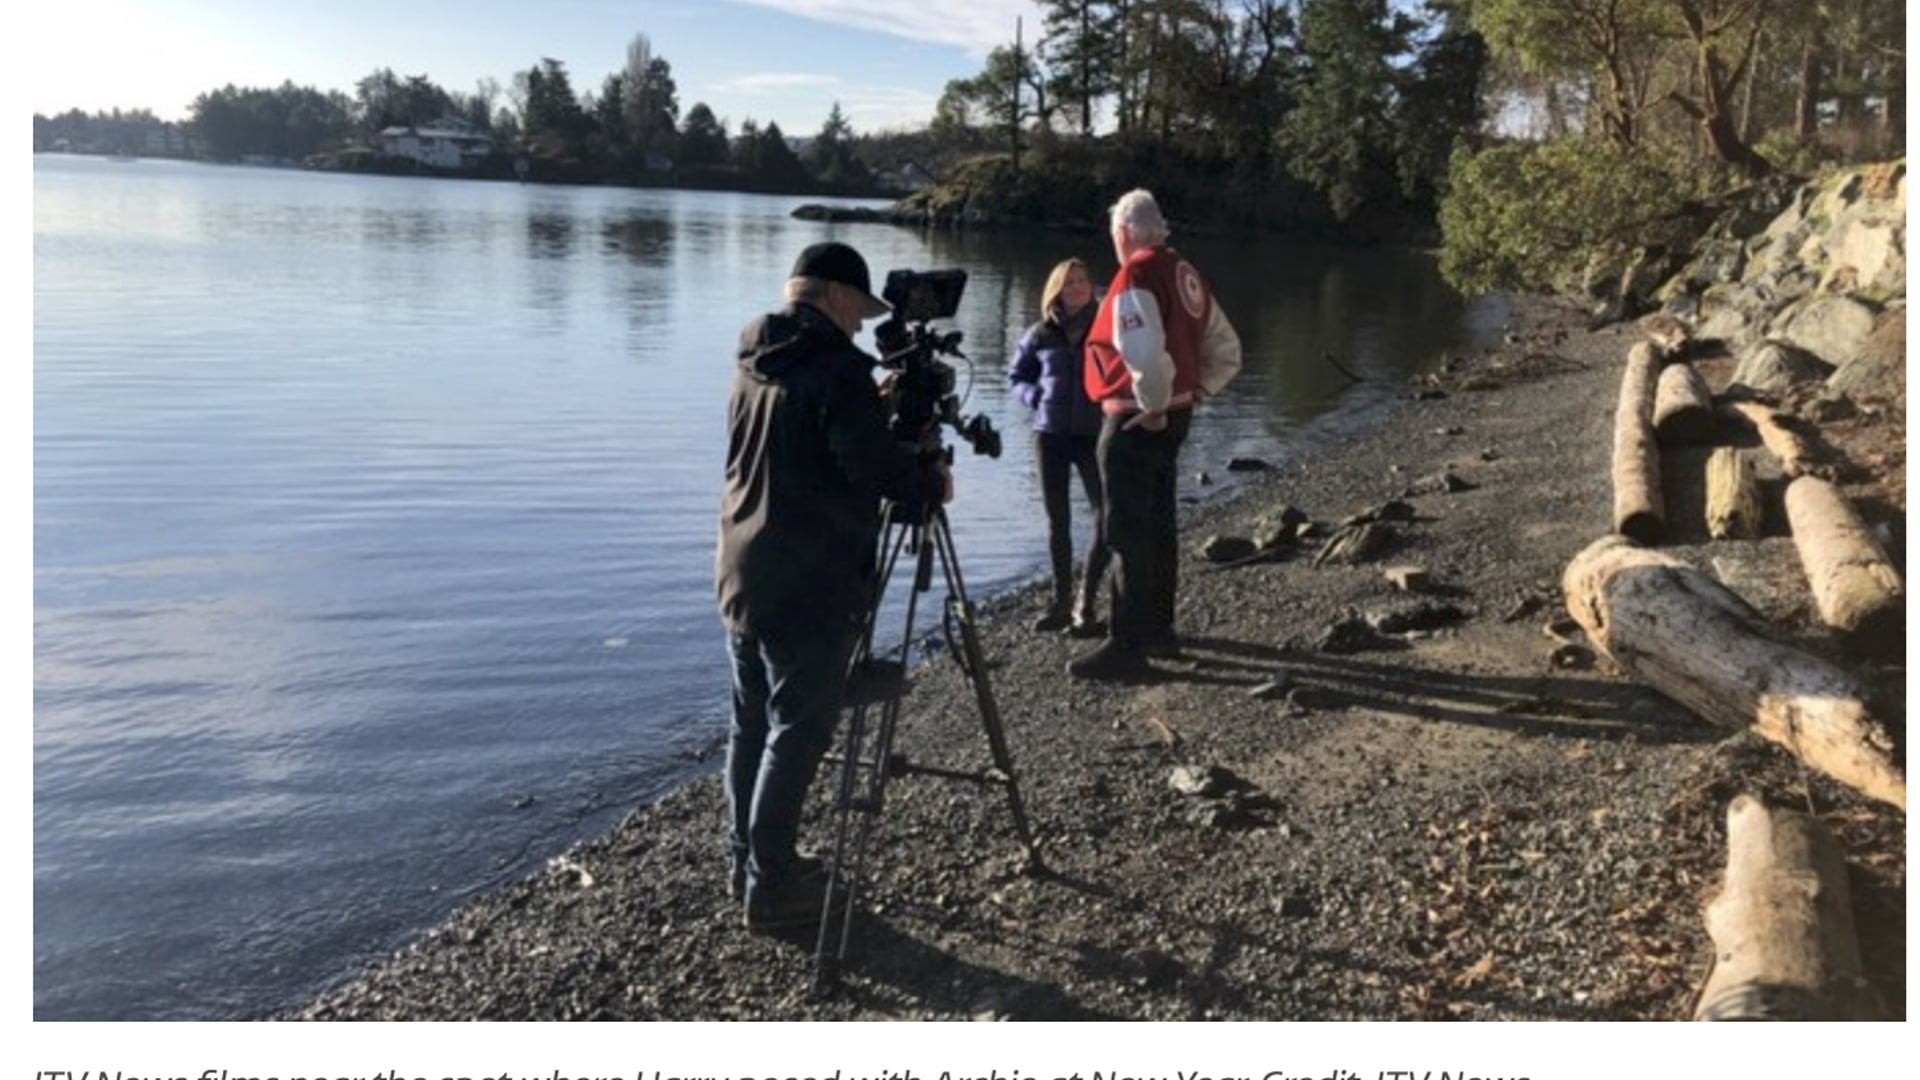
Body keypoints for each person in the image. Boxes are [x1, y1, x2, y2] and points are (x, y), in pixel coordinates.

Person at [715, 240, 947, 930]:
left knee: (750, 723)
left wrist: (863, 409)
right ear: (836, 296)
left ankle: (748, 865)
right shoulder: (838, 371)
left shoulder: (756, 354)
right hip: (810, 578)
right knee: (799, 728)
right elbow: (876, 473)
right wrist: (929, 481)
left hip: (740, 566)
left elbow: (806, 441)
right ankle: (776, 884)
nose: (861, 326)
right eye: (860, 311)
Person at [1069, 189, 1242, 681]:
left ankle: (1126, 644)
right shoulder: (1185, 272)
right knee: (1159, 525)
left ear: (1123, 233)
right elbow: (1226, 348)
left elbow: (1140, 348)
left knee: (1124, 529)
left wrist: (1154, 405)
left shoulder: (1137, 273)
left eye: (1113, 238)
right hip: (1176, 412)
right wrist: (1196, 390)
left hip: (1136, 417)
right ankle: (1158, 629)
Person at [1007, 257, 1110, 637]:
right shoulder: (1039, 334)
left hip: (1092, 434)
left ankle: (1087, 601)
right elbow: (1016, 377)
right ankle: (1060, 602)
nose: (1078, 288)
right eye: (1070, 283)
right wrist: (1034, 395)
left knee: (1106, 515)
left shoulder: (1106, 328)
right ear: (1057, 289)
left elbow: (1122, 371)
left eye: (1083, 281)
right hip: (1049, 435)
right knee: (1058, 522)